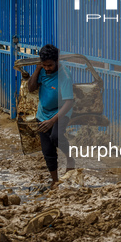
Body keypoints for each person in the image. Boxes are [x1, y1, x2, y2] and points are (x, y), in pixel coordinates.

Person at [27, 44, 75, 189]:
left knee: (55, 136)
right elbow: (31, 88)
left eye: (50, 65)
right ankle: (54, 180)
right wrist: (37, 70)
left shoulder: (64, 76)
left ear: (57, 61)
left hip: (61, 112)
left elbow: (69, 102)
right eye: (44, 65)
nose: (47, 68)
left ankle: (70, 158)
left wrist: (52, 121)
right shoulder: (41, 70)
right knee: (47, 150)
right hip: (43, 113)